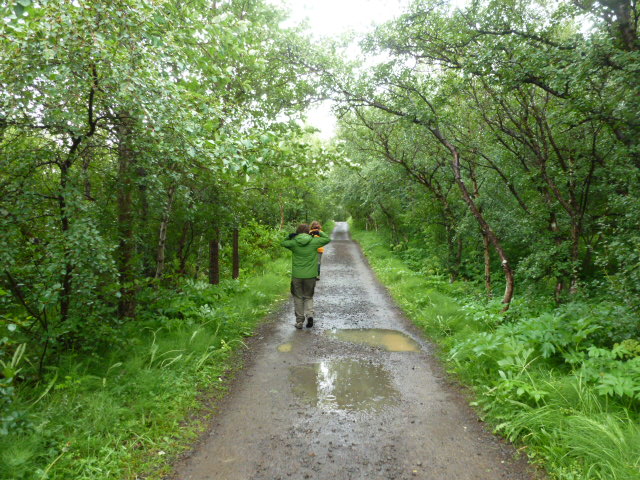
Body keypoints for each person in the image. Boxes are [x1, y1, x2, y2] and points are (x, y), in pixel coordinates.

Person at [281, 223, 331, 329]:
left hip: (297, 275)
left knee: (298, 297)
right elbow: (327, 239)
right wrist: (318, 232)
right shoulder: (314, 241)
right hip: (311, 276)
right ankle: (310, 315)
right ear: (309, 231)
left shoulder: (293, 243)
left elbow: (283, 243)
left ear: (297, 231)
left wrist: (290, 236)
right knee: (308, 297)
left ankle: (299, 322)